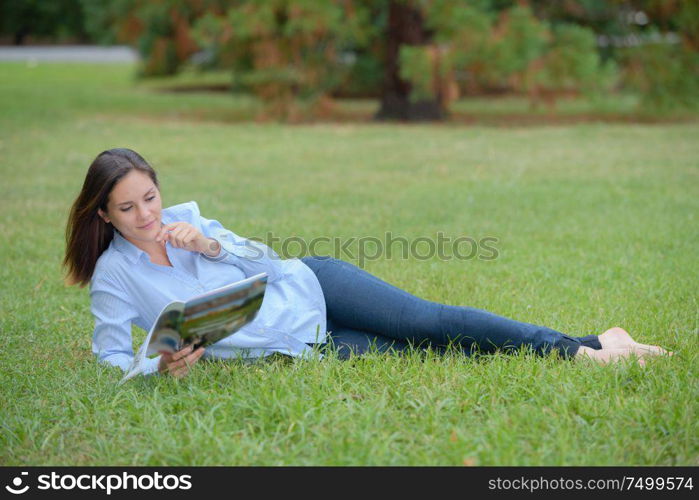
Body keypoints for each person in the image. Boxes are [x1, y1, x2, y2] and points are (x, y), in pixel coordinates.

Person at [63, 149, 669, 379]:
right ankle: (601, 339)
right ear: (104, 216)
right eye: (129, 207)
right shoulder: (115, 277)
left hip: (315, 286)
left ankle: (582, 354)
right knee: (430, 355)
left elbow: (271, 263)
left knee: (430, 323)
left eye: (150, 197)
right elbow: (112, 356)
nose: (147, 213)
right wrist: (160, 366)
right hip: (305, 344)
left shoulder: (193, 222)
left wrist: (213, 247)